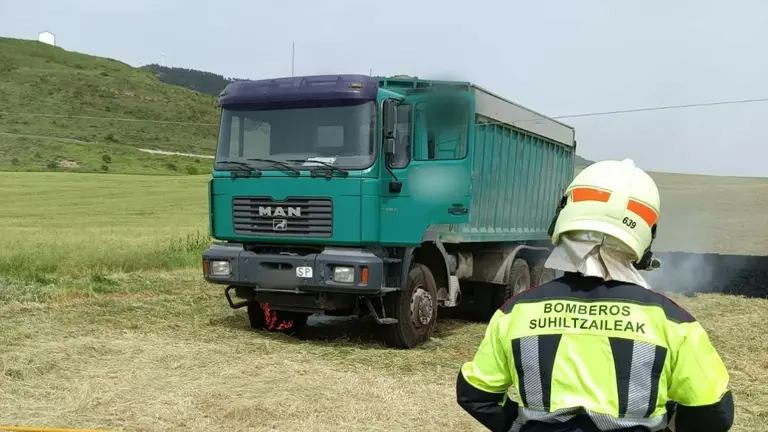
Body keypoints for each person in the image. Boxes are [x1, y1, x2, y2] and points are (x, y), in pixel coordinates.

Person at [455, 158, 734, 432]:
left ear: (564, 214)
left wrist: (523, 425)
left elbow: (476, 395)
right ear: (646, 234)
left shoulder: (516, 312)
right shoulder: (673, 322)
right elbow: (714, 413)